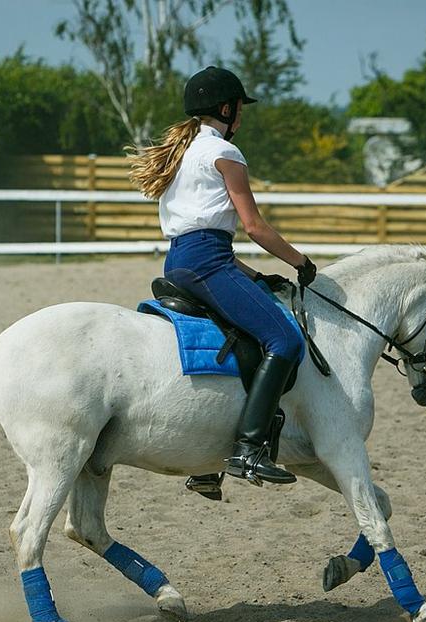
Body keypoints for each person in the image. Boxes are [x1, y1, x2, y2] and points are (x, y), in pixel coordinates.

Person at [127, 65, 317, 486]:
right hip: (207, 264)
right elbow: (255, 227)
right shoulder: (226, 155)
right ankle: (248, 449)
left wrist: (256, 278)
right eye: (240, 109)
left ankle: (207, 460)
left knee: (240, 337)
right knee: (284, 340)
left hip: (182, 261)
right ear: (227, 109)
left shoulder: (183, 151)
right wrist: (300, 262)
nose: (242, 117)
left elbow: (207, 237)